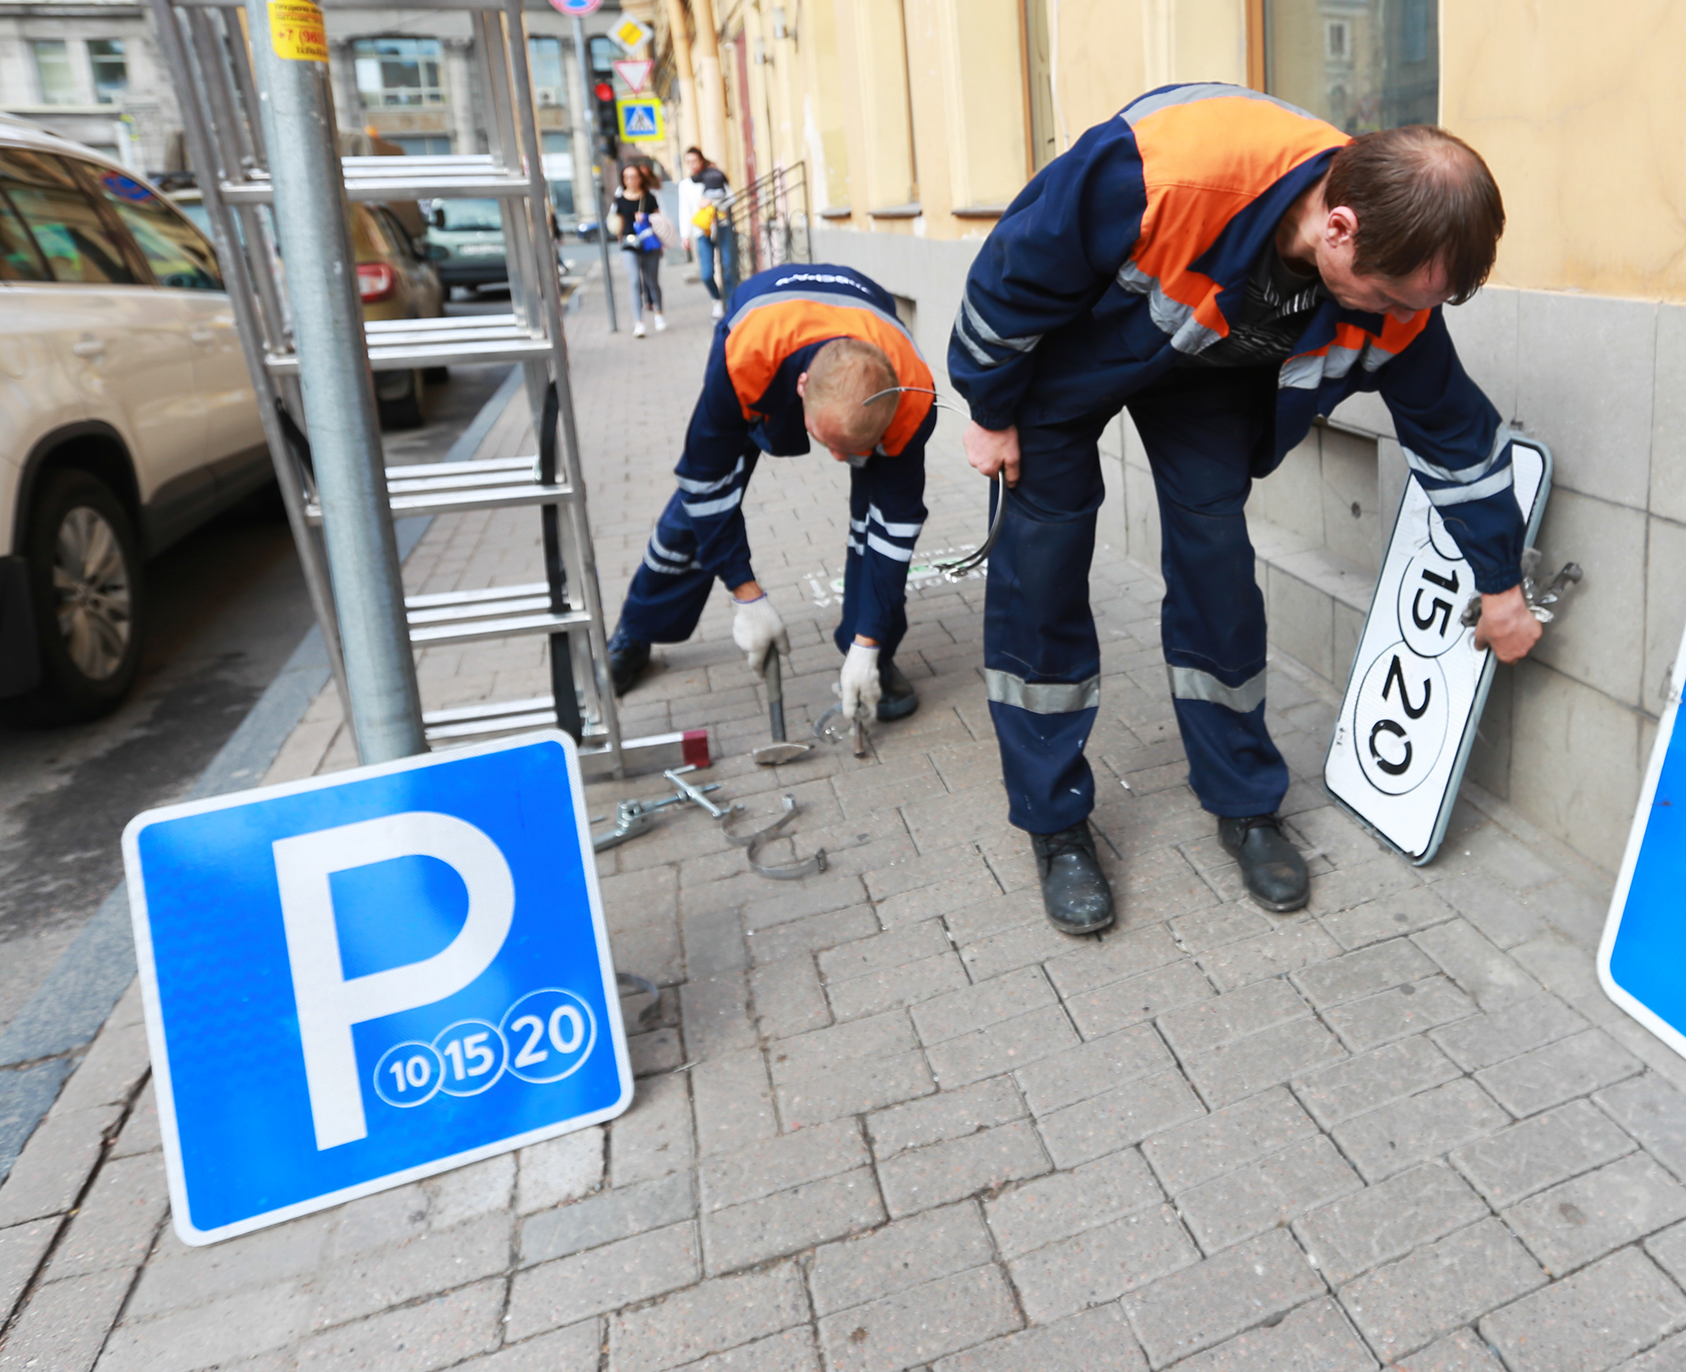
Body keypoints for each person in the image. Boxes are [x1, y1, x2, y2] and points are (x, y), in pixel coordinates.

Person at [950, 84, 1539, 936]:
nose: (1407, 322)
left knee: (1218, 564)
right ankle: (1054, 823)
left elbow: (1455, 434)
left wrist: (1501, 581)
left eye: (1424, 305)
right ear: (1339, 230)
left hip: (1211, 374)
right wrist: (990, 406)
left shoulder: (1398, 264)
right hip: (1072, 358)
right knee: (1042, 568)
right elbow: (1012, 272)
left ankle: (1244, 801)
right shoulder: (1157, 175)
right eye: (1397, 300)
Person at [605, 262, 933, 731]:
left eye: (853, 448)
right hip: (769, 337)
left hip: (863, 351)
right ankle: (636, 632)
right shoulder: (743, 359)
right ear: (801, 391)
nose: (840, 459)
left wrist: (870, 641)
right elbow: (705, 479)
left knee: (875, 522)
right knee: (698, 511)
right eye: (830, 443)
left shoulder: (912, 395)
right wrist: (745, 593)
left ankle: (872, 660)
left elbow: (894, 529)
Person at [611, 161, 666, 338]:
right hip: (629, 244)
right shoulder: (619, 200)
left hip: (649, 243)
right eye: (627, 177)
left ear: (640, 179)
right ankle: (639, 322)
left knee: (652, 280)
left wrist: (647, 217)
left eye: (634, 177)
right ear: (623, 180)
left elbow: (660, 220)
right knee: (634, 281)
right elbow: (617, 224)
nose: (630, 180)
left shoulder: (649, 197)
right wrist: (620, 245)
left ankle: (659, 313)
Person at [680, 146, 737, 318]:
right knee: (706, 273)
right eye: (688, 161)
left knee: (728, 266)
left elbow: (732, 197)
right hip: (701, 231)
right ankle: (717, 299)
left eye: (695, 161)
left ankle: (730, 302)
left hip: (722, 225)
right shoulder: (685, 185)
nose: (692, 165)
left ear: (701, 160)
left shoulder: (714, 176)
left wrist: (714, 202)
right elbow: (684, 210)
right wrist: (685, 235)